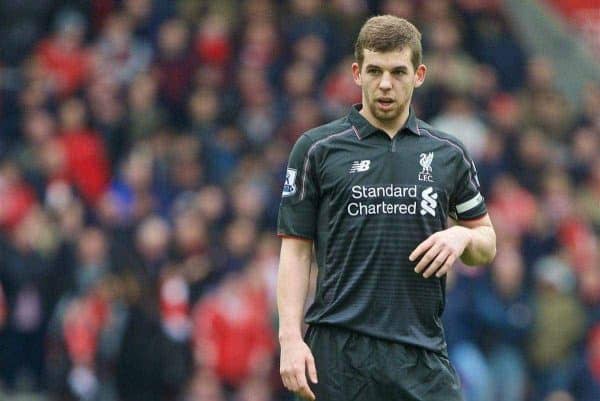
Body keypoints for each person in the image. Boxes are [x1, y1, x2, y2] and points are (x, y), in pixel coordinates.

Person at [276, 15, 496, 401]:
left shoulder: (448, 153)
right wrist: (290, 339)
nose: (385, 84)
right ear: (357, 72)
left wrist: (462, 235)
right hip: (338, 355)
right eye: (374, 71)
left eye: (398, 72)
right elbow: (296, 252)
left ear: (419, 74)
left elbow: (487, 244)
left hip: (421, 356)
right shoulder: (316, 149)